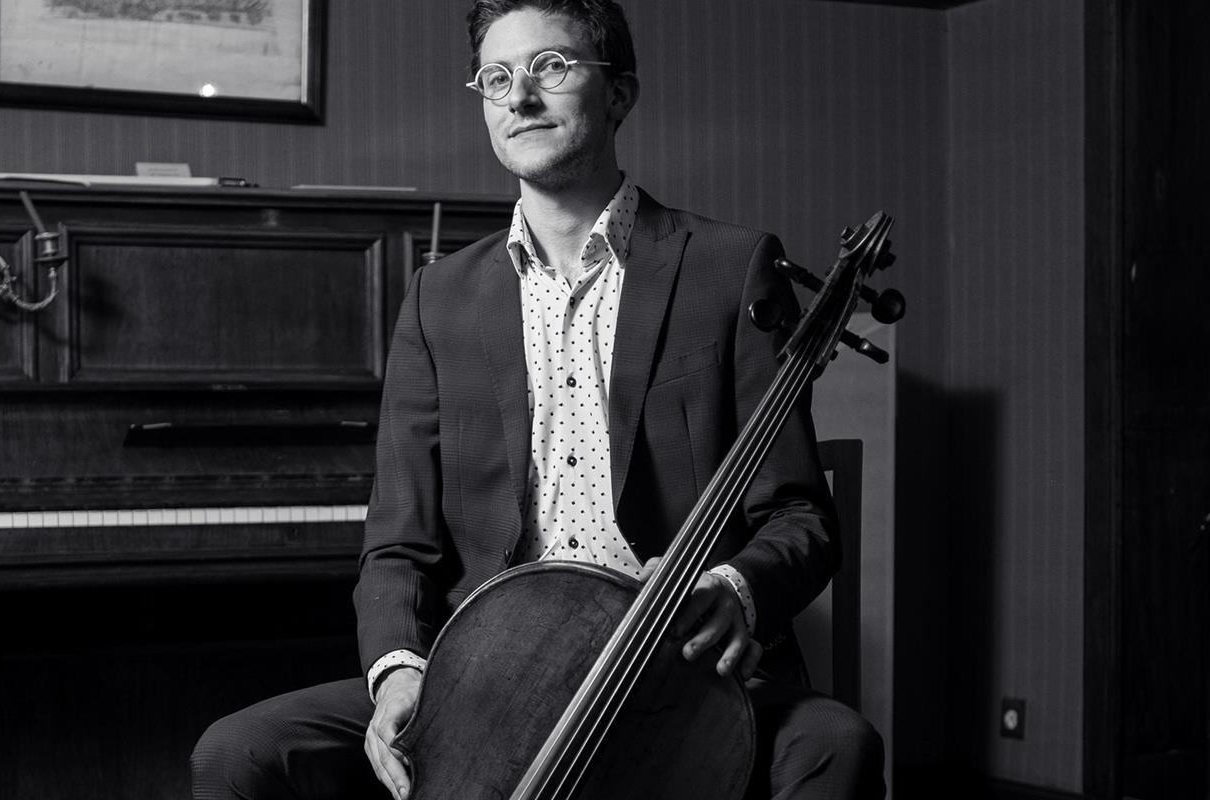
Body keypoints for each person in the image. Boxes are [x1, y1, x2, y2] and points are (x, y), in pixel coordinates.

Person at [191, 1, 885, 797]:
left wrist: (734, 587)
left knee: (837, 745)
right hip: (487, 674)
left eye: (550, 67)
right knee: (240, 753)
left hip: (675, 669)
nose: (519, 97)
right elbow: (397, 544)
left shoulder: (729, 268)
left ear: (619, 93)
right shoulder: (439, 298)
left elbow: (800, 516)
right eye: (496, 78)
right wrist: (399, 671)